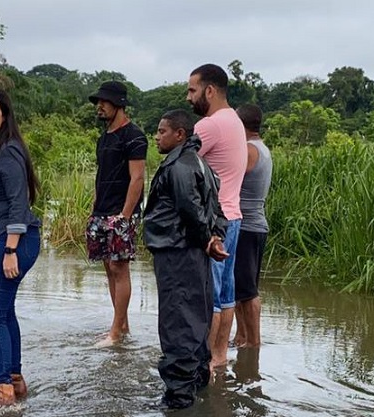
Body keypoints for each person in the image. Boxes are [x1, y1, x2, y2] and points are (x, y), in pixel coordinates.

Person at [144, 109, 229, 409]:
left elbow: (190, 210)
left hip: (178, 254)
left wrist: (208, 238)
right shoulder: (202, 165)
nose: (156, 136)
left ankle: (179, 400)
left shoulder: (180, 165)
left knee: (178, 321)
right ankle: (196, 390)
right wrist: (214, 238)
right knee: (195, 317)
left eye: (162, 131)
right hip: (193, 255)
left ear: (179, 134)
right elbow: (217, 210)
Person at [0, 87, 42, 408]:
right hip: (8, 239)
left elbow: (19, 202)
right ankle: (14, 380)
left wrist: (11, 249)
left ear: (4, 116)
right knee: (3, 310)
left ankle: (2, 390)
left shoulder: (8, 152)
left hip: (15, 240)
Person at [187, 64, 247, 369]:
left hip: (213, 222)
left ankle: (204, 359)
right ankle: (220, 358)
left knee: (208, 295)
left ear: (210, 91)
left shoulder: (209, 126)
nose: (188, 97)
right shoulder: (235, 120)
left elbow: (182, 167)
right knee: (226, 294)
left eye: (192, 90)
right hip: (233, 218)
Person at [85, 81, 148, 347]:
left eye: (104, 102)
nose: (99, 106)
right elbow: (101, 176)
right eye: (98, 102)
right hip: (102, 211)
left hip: (121, 213)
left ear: (119, 103)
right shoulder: (105, 136)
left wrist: (124, 215)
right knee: (109, 269)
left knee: (119, 267)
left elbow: (137, 179)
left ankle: (115, 332)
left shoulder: (134, 136)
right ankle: (121, 326)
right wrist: (94, 210)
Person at [232, 104, 272, 348]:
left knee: (248, 290)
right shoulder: (261, 148)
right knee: (240, 287)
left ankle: (253, 344)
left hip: (248, 226)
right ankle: (242, 336)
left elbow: (230, 177)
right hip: (252, 225)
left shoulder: (248, 150)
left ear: (240, 125)